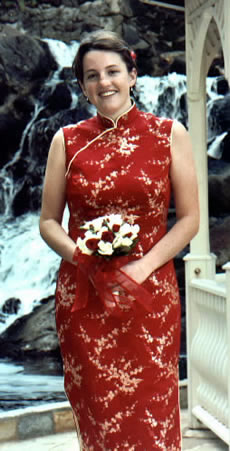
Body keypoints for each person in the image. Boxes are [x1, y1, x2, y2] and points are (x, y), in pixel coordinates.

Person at [40, 30, 199, 450]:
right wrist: (84, 258)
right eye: (92, 76)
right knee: (99, 416)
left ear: (133, 75)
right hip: (84, 298)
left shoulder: (169, 134)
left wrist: (142, 267)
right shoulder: (66, 141)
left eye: (113, 71)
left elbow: (189, 220)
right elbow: (48, 222)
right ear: (82, 86)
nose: (103, 82)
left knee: (151, 411)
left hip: (149, 297)